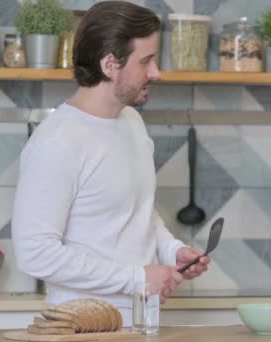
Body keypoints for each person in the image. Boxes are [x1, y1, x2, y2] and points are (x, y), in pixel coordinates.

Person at [11, 1, 210, 325]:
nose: (156, 72)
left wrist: (172, 250)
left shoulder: (131, 122)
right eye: (146, 61)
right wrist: (136, 278)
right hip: (82, 328)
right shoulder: (57, 142)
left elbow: (136, 211)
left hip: (141, 323)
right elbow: (35, 253)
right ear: (109, 64)